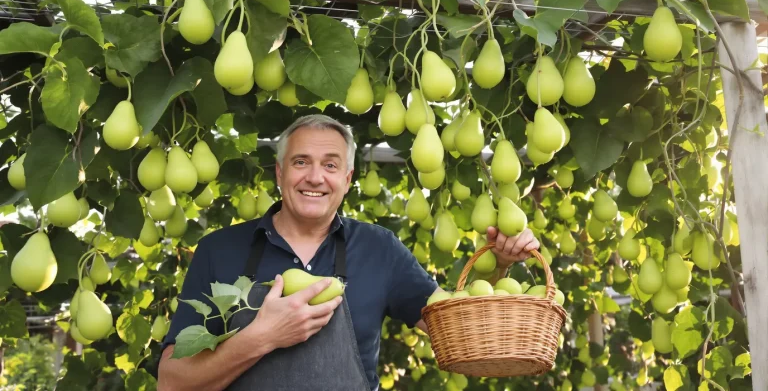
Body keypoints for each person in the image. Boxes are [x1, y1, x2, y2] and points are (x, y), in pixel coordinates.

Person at [157, 114, 540, 391]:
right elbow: (172, 382)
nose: (314, 177)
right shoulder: (218, 250)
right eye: (300, 162)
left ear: (347, 180)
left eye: (330, 165)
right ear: (279, 173)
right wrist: (263, 337)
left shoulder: (379, 248)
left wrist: (500, 268)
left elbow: (459, 331)